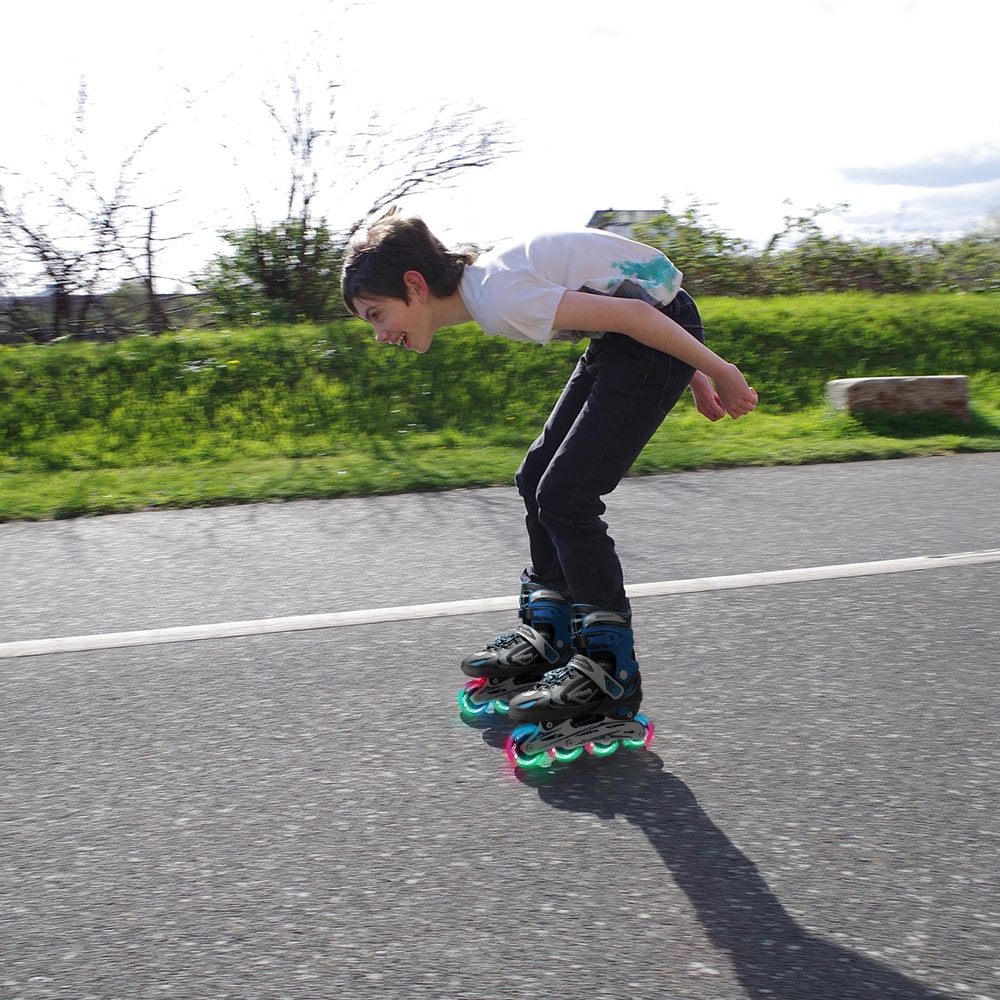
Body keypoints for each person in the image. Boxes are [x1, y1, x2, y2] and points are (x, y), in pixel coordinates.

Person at [341, 209, 757, 749]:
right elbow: (628, 306)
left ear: (414, 287)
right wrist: (694, 373)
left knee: (568, 496)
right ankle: (550, 632)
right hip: (632, 339)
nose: (378, 335)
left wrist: (715, 370)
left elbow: (637, 310)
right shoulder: (486, 288)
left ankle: (609, 670)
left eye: (376, 314)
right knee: (536, 475)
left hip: (644, 336)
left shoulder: (498, 295)